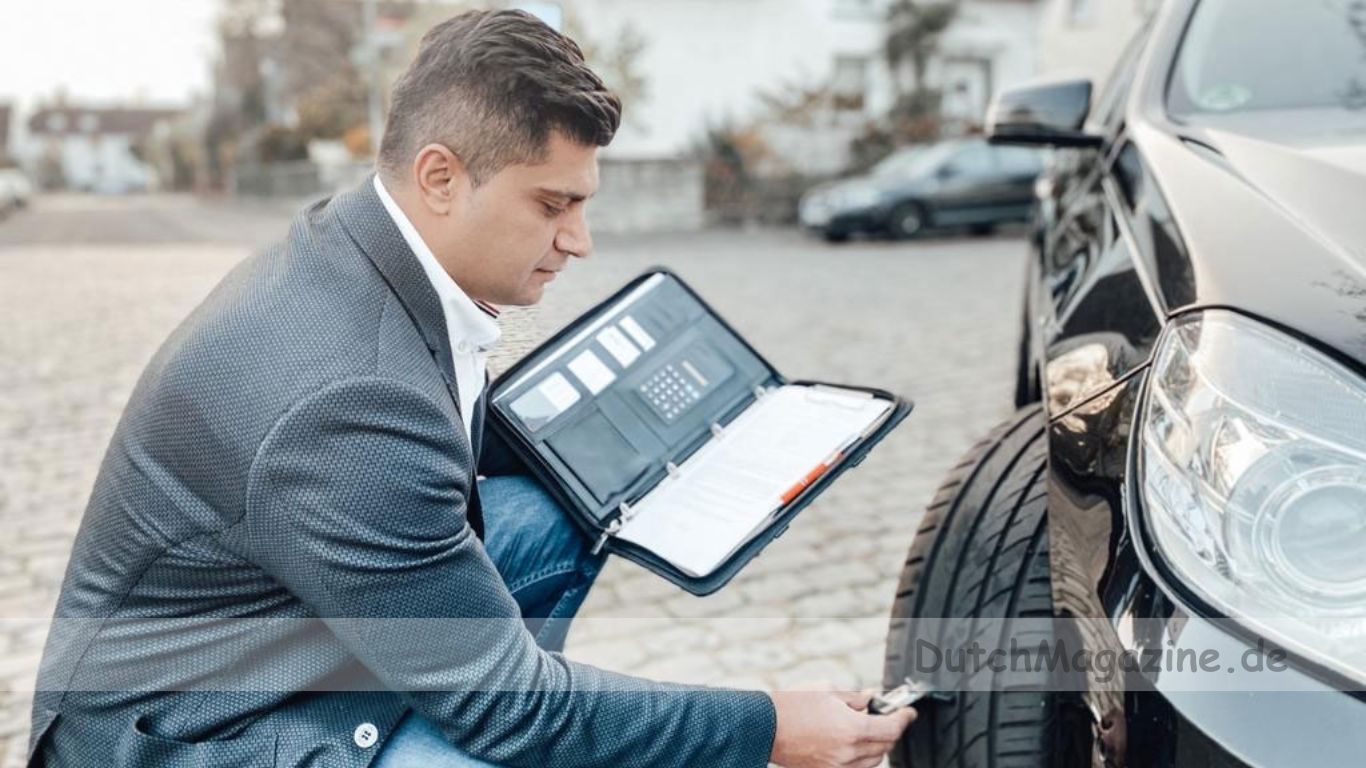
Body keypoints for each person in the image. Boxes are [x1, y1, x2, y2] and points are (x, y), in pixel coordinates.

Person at [27, 9, 916, 768]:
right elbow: (512, 704)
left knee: (563, 504)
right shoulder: (348, 400)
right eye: (552, 205)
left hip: (281, 624)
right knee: (519, 708)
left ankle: (482, 684)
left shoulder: (367, 246)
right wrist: (769, 728)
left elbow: (430, 453)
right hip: (192, 727)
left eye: (583, 204)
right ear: (441, 177)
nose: (580, 242)